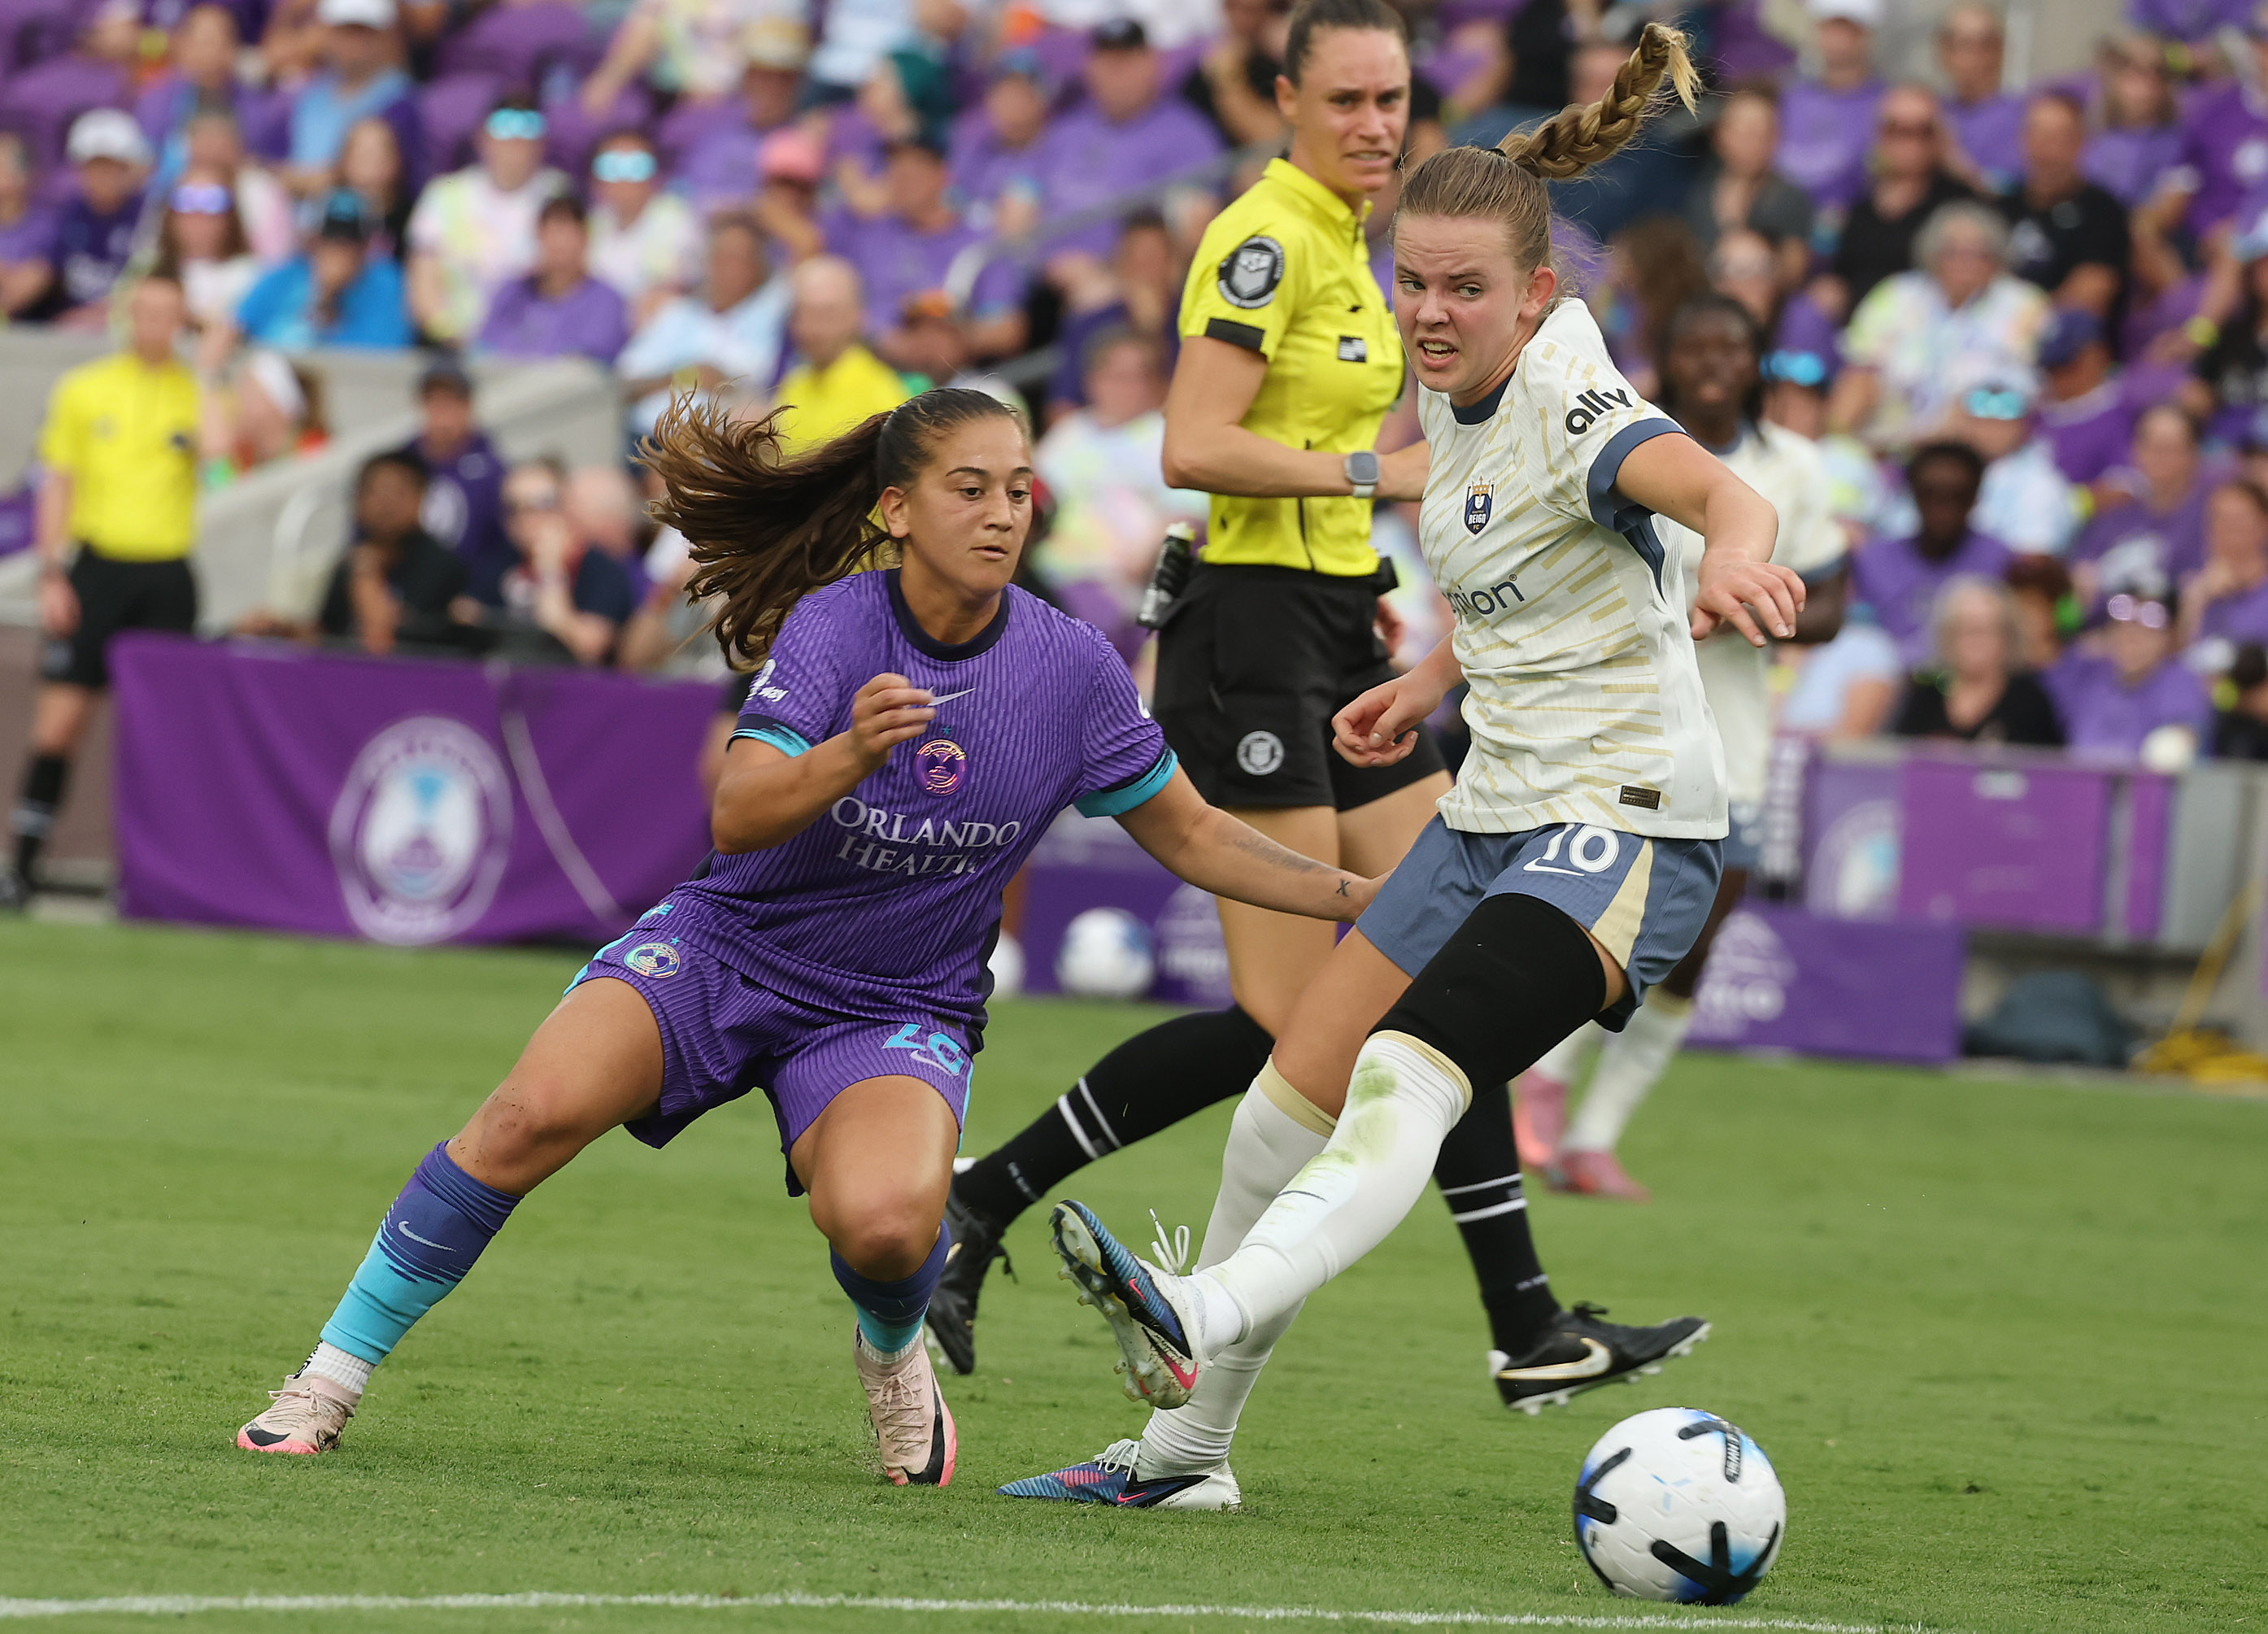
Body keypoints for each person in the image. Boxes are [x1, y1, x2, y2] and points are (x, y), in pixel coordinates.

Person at [228, 385, 1389, 1485]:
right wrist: (848, 754)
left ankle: (892, 1350)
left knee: (889, 1230)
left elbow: (1193, 836)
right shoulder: (839, 625)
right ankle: (327, 1377)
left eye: (1019, 489)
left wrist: (1364, 899)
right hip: (729, 950)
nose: (1000, 513)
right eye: (969, 488)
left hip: (897, 1002)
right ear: (896, 510)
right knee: (526, 1118)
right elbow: (736, 814)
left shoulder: (1070, 664)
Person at [1003, 23, 1806, 1510]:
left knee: (1403, 1071)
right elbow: (1532, 567)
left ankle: (1200, 1312)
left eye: (1461, 292)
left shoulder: (1573, 404)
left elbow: (1713, 489)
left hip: (1623, 827)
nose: (1427, 315)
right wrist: (1426, 678)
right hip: (1491, 803)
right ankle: (1186, 1456)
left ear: (1536, 296)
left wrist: (1738, 562)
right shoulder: (1448, 386)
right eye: (1412, 285)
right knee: (1281, 1094)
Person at [927, 0, 1464, 1386]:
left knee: (1434, 959)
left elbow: (1310, 437)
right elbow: (1193, 441)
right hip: (1248, 636)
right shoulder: (1266, 235)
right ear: (1278, 100)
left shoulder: (1356, 239)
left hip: (1332, 619)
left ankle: (1523, 1324)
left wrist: (1356, 568)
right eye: (1344, 99)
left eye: (1390, 97)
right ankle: (1006, 1205)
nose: (1373, 124)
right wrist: (1371, 483)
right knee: (1301, 1019)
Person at [1516, 294, 1848, 1201]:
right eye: (1693, 343)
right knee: (1615, 924)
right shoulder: (1632, 445)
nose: (1712, 360)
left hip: (1734, 736)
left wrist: (1755, 606)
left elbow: (1830, 601)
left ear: (1756, 362)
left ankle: (1590, 1135)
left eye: (1730, 345)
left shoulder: (1798, 468)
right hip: (1625, 724)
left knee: (1691, 947)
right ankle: (1543, 1077)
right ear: (1664, 358)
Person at [5, 278, 199, 911]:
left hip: (166, 572)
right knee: (60, 723)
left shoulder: (196, 392)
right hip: (98, 568)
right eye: (144, 311)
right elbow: (58, 482)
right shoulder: (86, 389)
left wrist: (216, 365)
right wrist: (54, 572)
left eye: (167, 314)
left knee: (161, 736)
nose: (153, 324)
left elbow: (227, 448)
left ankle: (152, 875)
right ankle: (22, 865)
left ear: (182, 321)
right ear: (125, 317)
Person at [1831, 201, 2048, 455]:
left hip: (1980, 441)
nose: (1966, 263)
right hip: (1889, 435)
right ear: (1932, 255)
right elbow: (1859, 369)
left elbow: (2030, 388)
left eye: (1979, 253)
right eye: (1952, 251)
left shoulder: (2024, 304)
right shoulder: (1896, 294)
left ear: (1998, 259)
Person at [1038, 21, 1225, 259]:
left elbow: (1195, 230)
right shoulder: (1067, 128)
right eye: (1107, 61)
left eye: (1126, 61)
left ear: (1152, 64)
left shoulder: (1188, 137)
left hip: (1119, 283)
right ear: (1089, 67)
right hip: (1038, 275)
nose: (1117, 73)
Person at [406, 96, 566, 346]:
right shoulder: (445, 192)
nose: (515, 141)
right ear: (482, 139)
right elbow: (423, 285)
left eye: (527, 129)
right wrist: (455, 341)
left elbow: (570, 279)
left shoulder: (559, 193)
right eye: (503, 128)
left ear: (543, 143)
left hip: (537, 348)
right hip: (453, 348)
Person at [616, 214, 791, 437]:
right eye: (721, 257)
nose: (728, 268)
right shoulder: (677, 314)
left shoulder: (771, 312)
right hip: (647, 439)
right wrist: (687, 377)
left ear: (757, 267)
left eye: (739, 259)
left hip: (724, 447)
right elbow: (626, 384)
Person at [1851, 442, 2011, 668]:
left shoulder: (2001, 561)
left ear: (1976, 497)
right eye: (1930, 494)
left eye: (1957, 496)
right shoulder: (1874, 560)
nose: (1942, 509)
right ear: (1912, 494)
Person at [1825, 85, 1976, 316]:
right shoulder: (1862, 203)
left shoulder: (1960, 203)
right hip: (1860, 332)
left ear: (1940, 137)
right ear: (1879, 134)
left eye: (1922, 130)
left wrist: (1961, 164)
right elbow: (1843, 273)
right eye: (1895, 128)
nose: (1908, 141)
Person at [480, 459, 639, 665]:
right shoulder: (506, 559)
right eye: (513, 507)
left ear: (565, 507)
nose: (524, 518)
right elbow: (464, 616)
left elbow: (587, 648)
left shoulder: (601, 567)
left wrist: (549, 571)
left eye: (540, 504)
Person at [1890, 575, 2065, 746]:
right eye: (1966, 629)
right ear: (1947, 636)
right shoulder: (1928, 697)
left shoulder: (2029, 702)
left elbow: (2051, 767)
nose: (1975, 642)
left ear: (2007, 636)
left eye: (1986, 630)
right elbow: (1900, 759)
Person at [2000, 93, 2129, 323]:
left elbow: (2089, 297)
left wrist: (2014, 320)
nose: (2045, 148)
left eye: (2058, 137)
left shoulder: (2102, 211)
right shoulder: (2002, 206)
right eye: (2037, 134)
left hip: (2062, 342)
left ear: (2081, 143)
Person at [2066, 403, 2209, 609]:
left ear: (2193, 453)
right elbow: (2079, 580)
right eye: (2150, 445)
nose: (2159, 457)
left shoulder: (2208, 517)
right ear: (2135, 451)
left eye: (2169, 448)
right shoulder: (2113, 514)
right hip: (2107, 630)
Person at [232, 189, 411, 350]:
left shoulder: (387, 282)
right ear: (313, 240)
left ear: (365, 246)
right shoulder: (285, 276)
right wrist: (320, 295)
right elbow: (238, 327)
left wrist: (332, 298)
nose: (339, 250)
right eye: (329, 239)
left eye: (350, 242)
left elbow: (382, 353)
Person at [770, 256, 910, 451]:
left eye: (827, 314)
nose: (813, 329)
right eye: (804, 313)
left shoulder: (881, 396)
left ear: (858, 317)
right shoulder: (794, 384)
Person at [2054, 588, 2213, 760]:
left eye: (2146, 631)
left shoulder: (2180, 682)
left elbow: (2176, 747)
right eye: (2124, 627)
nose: (2132, 638)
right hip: (2077, 783)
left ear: (2168, 638)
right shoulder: (2089, 675)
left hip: (2147, 785)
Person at [403, 358, 511, 604]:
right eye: (434, 401)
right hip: (409, 591)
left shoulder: (492, 471)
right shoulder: (402, 464)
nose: (442, 412)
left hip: (464, 596)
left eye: (450, 402)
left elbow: (503, 544)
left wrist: (479, 594)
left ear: (468, 406)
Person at [476, 196, 631, 367]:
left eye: (568, 234)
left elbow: (589, 368)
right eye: (552, 233)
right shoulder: (512, 292)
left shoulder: (606, 301)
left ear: (586, 239)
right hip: (499, 380)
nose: (560, 243)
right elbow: (481, 349)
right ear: (538, 237)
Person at [1678, 89, 1811, 288]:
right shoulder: (1699, 195)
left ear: (1776, 139)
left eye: (1762, 133)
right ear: (1719, 136)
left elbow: (1793, 273)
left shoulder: (1790, 197)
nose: (1752, 143)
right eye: (1742, 132)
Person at [283, 0, 415, 200]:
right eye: (345, 31)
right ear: (328, 34)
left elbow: (383, 179)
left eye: (365, 32)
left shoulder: (400, 98)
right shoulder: (310, 95)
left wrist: (305, 181)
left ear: (384, 37)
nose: (355, 42)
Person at [1773, 0, 1884, 220]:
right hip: (1786, 227)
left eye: (1848, 29)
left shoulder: (1886, 104)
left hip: (1854, 229)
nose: (1838, 38)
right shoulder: (1789, 97)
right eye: (1830, 27)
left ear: (1867, 35)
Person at [586, 133, 700, 326]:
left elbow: (677, 289)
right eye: (611, 167)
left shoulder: (676, 218)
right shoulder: (591, 223)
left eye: (636, 166)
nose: (623, 177)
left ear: (656, 175)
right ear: (595, 178)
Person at [137, 168, 261, 338]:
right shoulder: (146, 265)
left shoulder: (253, 275)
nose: (198, 215)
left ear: (230, 216)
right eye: (185, 201)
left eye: (213, 202)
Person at [53, 111, 150, 320]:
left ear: (131, 169)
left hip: (128, 321)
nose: (103, 177)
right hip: (70, 323)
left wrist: (99, 314)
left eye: (112, 167)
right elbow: (42, 266)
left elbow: (152, 281)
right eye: (95, 167)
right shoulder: (67, 213)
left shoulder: (150, 215)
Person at [1937, 2, 2022, 194]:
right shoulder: (1930, 112)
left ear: (2002, 52)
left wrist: (1957, 163)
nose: (1976, 57)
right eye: (1964, 45)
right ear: (1943, 53)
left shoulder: (2024, 117)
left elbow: (2016, 191)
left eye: (1986, 45)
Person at [2181, 478, 2268, 660]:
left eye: (2239, 520)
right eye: (2218, 518)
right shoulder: (2198, 589)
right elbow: (2184, 666)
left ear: (2263, 525)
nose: (2227, 529)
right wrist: (2195, 603)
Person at [0, 134, 58, 320]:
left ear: (24, 175)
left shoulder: (46, 227)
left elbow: (25, 287)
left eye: (4, 167)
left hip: (28, 331)